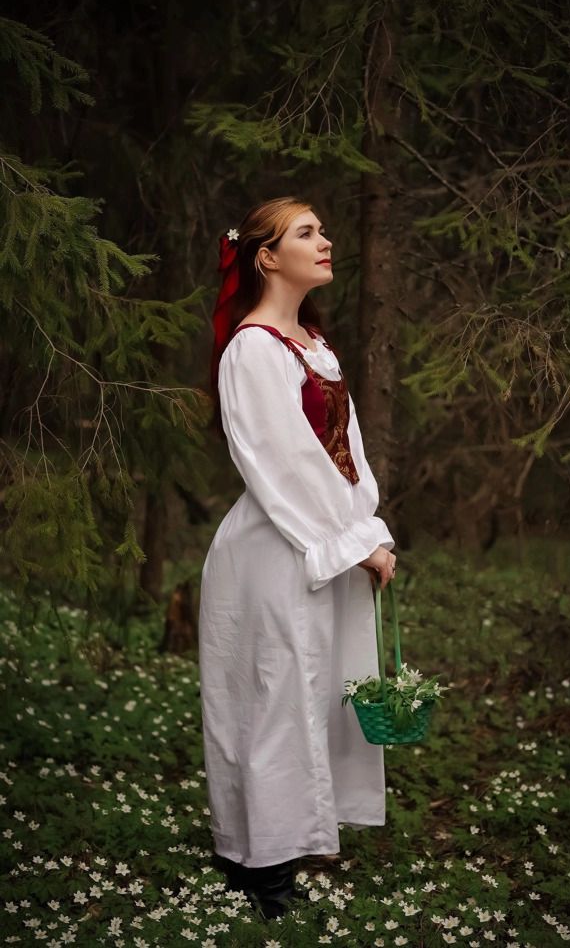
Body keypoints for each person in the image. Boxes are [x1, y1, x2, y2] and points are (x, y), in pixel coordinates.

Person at [198, 196, 397, 919]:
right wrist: (350, 540)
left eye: (322, 229)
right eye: (306, 233)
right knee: (275, 696)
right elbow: (281, 461)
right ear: (266, 257)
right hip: (275, 543)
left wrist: (365, 526)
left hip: (314, 539)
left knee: (312, 690)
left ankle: (275, 846)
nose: (325, 240)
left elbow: (347, 452)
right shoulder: (252, 349)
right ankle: (262, 866)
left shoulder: (312, 344)